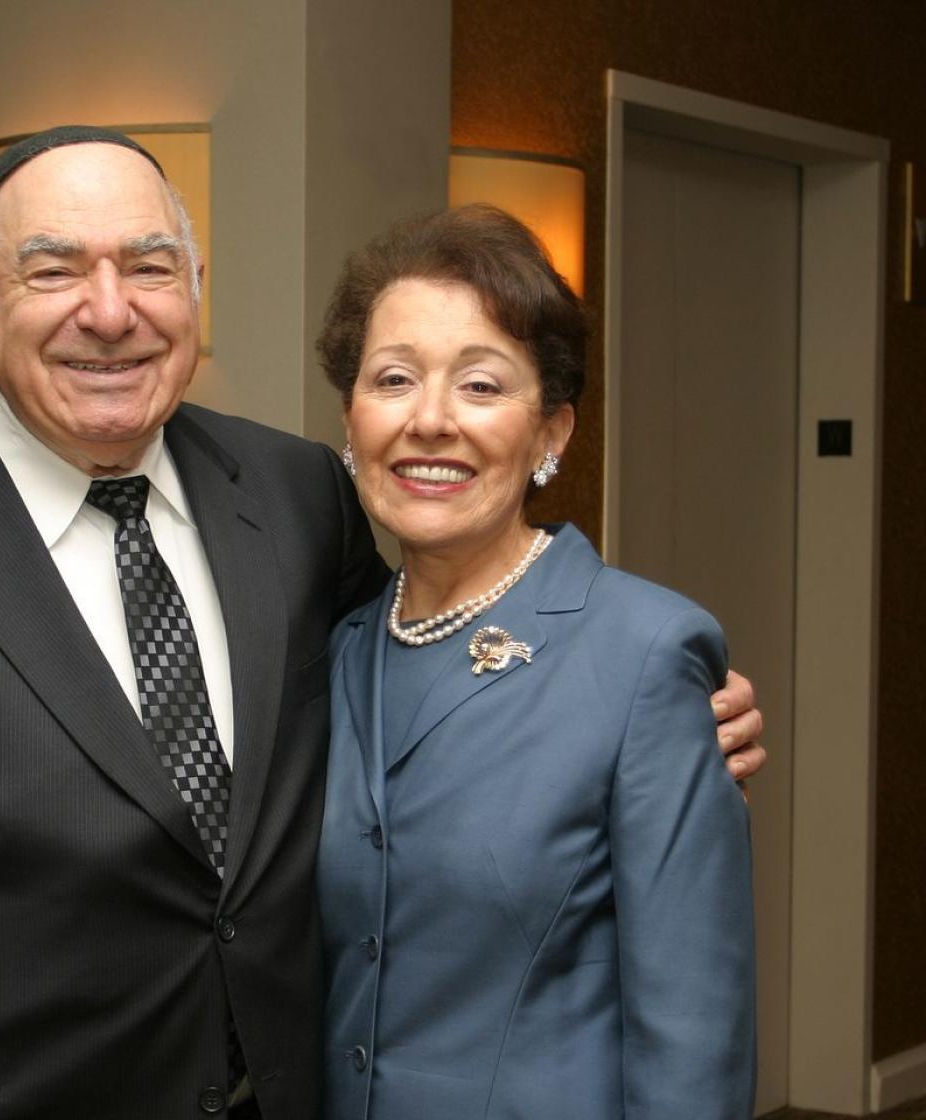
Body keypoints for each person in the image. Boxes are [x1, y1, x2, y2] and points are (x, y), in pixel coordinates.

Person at [0, 128, 763, 1120]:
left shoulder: (293, 498)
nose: (110, 311)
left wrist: (649, 726)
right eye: (53, 268)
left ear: (198, 287)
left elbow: (446, 683)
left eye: (149, 265)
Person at [316, 204, 756, 1119]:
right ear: (352, 420)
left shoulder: (644, 653)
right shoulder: (338, 647)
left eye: (481, 386)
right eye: (393, 379)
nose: (429, 421)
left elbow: (693, 1033)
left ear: (551, 434)